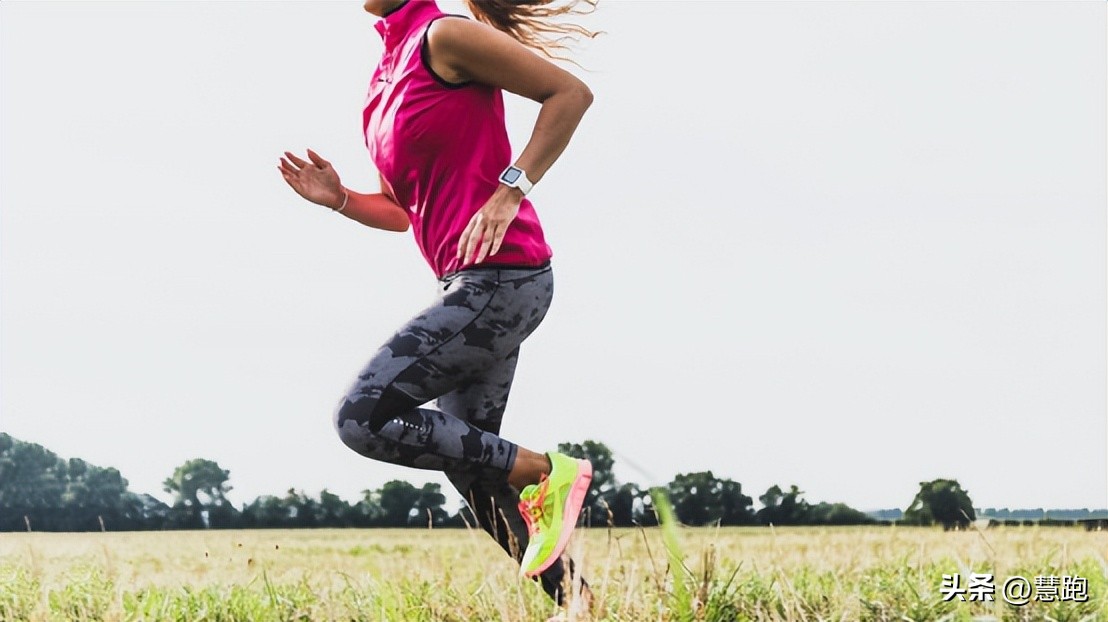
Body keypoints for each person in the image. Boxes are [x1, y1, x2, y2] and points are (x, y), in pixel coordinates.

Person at [277, 0, 598, 608]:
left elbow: (570, 94)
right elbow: (401, 213)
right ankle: (581, 605)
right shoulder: (385, 77)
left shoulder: (445, 36)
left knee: (362, 415)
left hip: (504, 277)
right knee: (475, 471)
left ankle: (547, 472)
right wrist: (341, 198)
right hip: (467, 283)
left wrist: (511, 190)